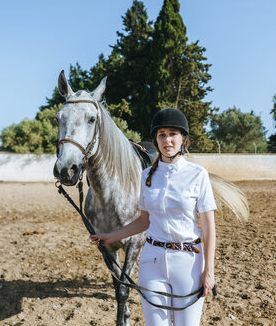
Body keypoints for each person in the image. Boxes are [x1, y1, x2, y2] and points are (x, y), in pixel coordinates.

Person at [90, 108, 216, 325]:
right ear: (156, 140)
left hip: (188, 262)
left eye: (173, 134)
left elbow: (208, 227)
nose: (167, 140)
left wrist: (209, 271)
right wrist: (110, 236)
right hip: (152, 262)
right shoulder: (146, 175)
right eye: (162, 134)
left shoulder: (198, 174)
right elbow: (144, 221)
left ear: (183, 138)